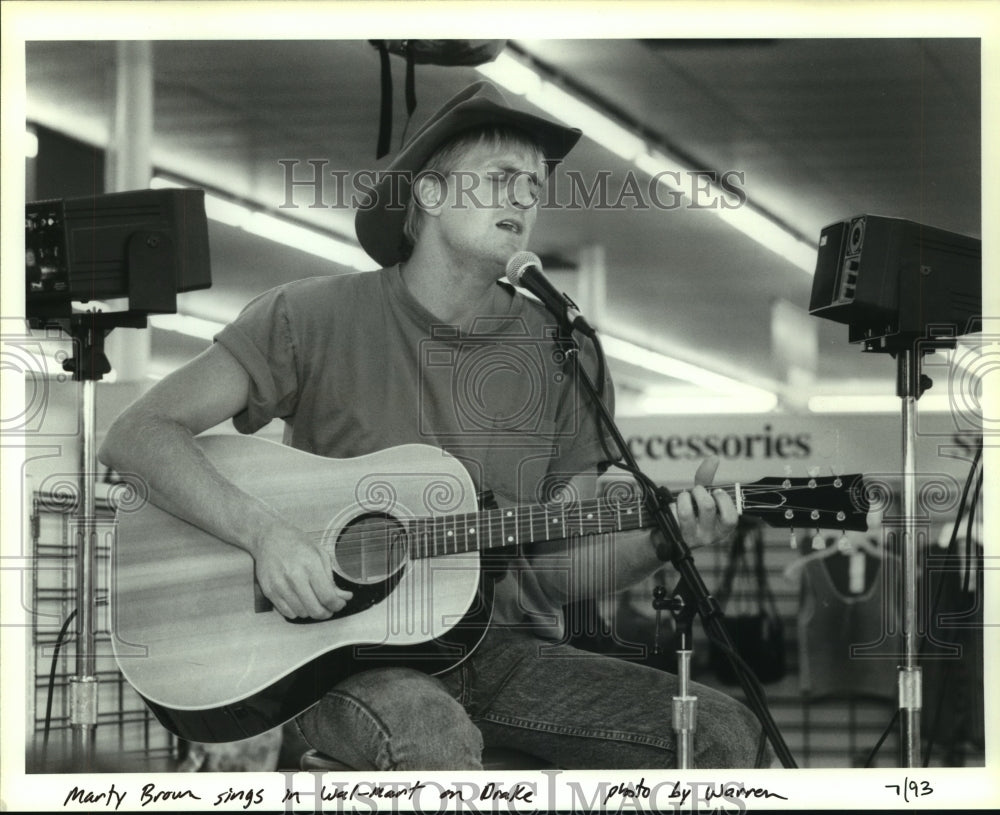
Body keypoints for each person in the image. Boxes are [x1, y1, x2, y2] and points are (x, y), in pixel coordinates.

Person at [99, 80, 771, 770]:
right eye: (501, 178)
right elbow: (138, 432)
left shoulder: (563, 350)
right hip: (340, 661)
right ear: (430, 193)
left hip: (506, 651)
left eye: (534, 187)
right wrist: (264, 534)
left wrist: (664, 539)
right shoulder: (309, 316)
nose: (523, 199)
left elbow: (557, 574)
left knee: (724, 730)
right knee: (433, 737)